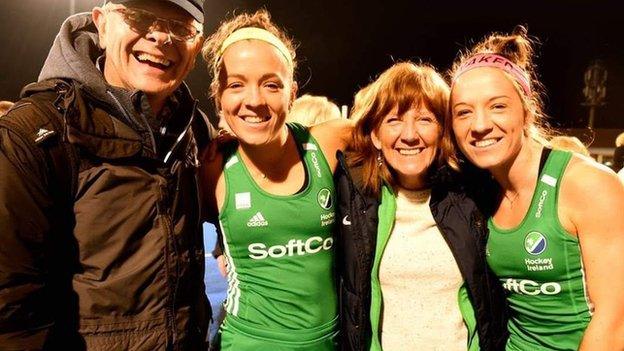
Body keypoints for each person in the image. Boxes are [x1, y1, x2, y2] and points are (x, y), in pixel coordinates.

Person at [0, 0, 214, 349]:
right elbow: (12, 314)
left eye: (180, 27)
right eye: (140, 17)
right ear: (102, 24)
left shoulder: (195, 129)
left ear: (197, 45)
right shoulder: (35, 133)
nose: (161, 36)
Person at [448, 26, 624, 350]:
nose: (480, 125)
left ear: (527, 108)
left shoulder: (587, 185)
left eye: (498, 106)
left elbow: (615, 323)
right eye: (463, 112)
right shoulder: (478, 193)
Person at [200, 10, 352, 350]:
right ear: (218, 95)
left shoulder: (329, 143)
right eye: (236, 84)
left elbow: (404, 132)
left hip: (332, 342)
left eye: (271, 84)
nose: (254, 101)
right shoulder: (211, 168)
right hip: (247, 341)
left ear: (292, 93)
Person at [336, 61, 508, 351]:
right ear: (376, 135)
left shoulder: (474, 195)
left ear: (443, 131)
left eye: (425, 120)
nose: (410, 135)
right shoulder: (354, 196)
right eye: (394, 121)